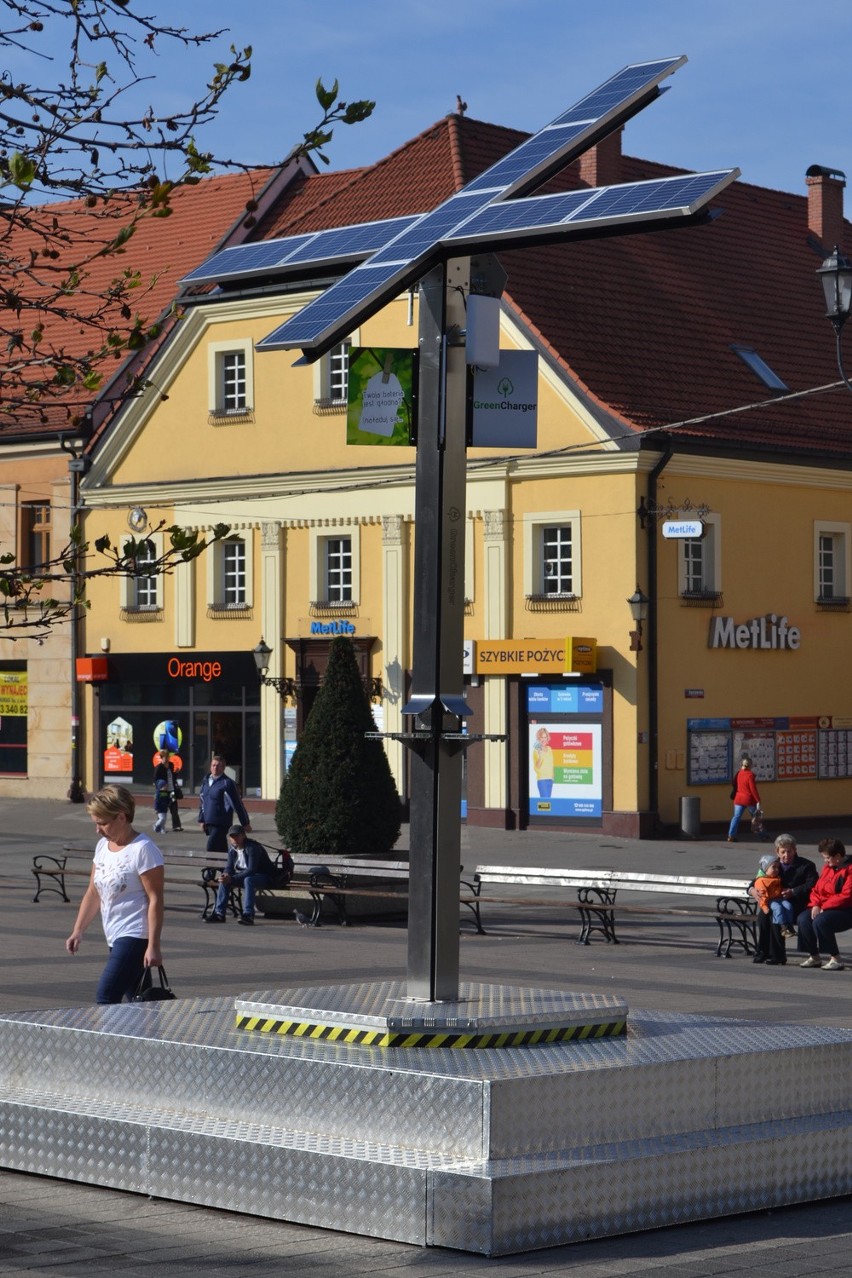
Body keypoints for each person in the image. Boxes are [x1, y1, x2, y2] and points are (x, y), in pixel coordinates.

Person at [65, 784, 164, 1003]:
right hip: (113, 933)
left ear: (121, 817)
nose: (98, 830)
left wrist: (153, 946)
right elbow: (93, 891)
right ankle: (146, 1035)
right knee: (140, 1004)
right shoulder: (103, 847)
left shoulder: (143, 849)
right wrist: (78, 930)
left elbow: (155, 898)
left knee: (106, 996)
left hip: (135, 935)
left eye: (102, 823)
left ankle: (107, 1038)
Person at [750, 834, 817, 965]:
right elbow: (757, 880)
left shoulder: (806, 865)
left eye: (789, 851)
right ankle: (762, 952)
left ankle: (778, 955)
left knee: (776, 914)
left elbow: (812, 884)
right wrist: (752, 890)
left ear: (795, 850)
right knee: (764, 916)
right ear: (777, 852)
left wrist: (793, 891)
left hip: (797, 904)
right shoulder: (773, 865)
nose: (786, 855)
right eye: (783, 852)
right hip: (776, 902)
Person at [797, 837, 852, 970]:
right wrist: (816, 904)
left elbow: (847, 895)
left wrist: (824, 907)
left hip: (846, 910)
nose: (825, 861)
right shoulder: (828, 868)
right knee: (803, 918)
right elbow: (817, 889)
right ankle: (814, 956)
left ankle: (836, 958)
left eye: (827, 858)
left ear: (838, 856)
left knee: (820, 921)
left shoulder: (849, 869)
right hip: (825, 907)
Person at [205, 825, 277, 926]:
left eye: (236, 836)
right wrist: (225, 875)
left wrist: (232, 878)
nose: (234, 839)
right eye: (232, 837)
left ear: (243, 835)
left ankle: (248, 915)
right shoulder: (232, 849)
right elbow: (229, 868)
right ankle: (219, 914)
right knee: (224, 879)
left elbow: (252, 870)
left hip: (264, 877)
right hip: (245, 876)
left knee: (248, 880)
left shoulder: (252, 847)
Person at [197, 753, 251, 853]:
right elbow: (202, 802)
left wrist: (245, 822)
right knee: (221, 848)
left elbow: (237, 804)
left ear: (223, 768)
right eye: (213, 765)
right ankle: (227, 867)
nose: (215, 768)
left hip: (222, 822)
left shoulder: (227, 783)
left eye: (218, 766)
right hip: (209, 822)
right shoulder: (205, 781)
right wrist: (201, 819)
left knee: (211, 845)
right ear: (210, 766)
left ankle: (210, 868)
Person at [752, 855, 795, 933]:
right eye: (773, 867)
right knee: (778, 908)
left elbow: (778, 889)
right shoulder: (761, 881)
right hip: (769, 900)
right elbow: (762, 896)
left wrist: (784, 891)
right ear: (766, 869)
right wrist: (764, 907)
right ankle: (783, 926)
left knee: (788, 906)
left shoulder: (776, 878)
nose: (776, 870)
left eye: (777, 867)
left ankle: (789, 925)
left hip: (779, 898)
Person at [727, 755, 761, 842]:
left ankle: (731, 836)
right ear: (751, 765)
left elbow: (734, 783)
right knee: (756, 818)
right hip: (748, 799)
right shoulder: (750, 775)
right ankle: (762, 835)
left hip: (738, 799)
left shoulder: (738, 773)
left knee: (736, 817)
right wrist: (758, 800)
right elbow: (753, 789)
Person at [153, 748, 182, 832]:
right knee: (162, 805)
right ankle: (160, 825)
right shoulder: (159, 768)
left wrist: (176, 773)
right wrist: (160, 787)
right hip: (163, 791)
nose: (167, 759)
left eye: (168, 757)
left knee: (174, 807)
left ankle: (176, 826)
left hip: (171, 790)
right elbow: (154, 780)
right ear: (162, 758)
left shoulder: (171, 765)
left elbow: (172, 777)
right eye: (165, 757)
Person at [532, 728, 554, 798]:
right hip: (542, 779)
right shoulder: (536, 750)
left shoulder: (550, 749)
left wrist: (553, 777)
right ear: (539, 738)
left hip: (550, 779)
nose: (544, 739)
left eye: (545, 737)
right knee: (545, 801)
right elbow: (536, 767)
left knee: (549, 801)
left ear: (547, 738)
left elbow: (551, 764)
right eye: (542, 737)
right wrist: (540, 756)